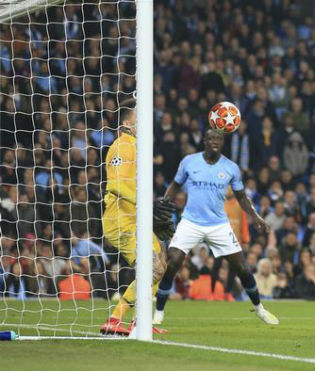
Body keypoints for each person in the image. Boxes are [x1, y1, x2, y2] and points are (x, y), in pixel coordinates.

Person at [153, 128, 279, 326]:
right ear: (204, 140)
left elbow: (242, 197)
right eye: (211, 138)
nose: (215, 141)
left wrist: (255, 216)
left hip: (218, 224)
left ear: (223, 142)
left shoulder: (231, 168)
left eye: (219, 139)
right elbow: (175, 185)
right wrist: (164, 203)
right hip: (191, 222)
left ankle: (259, 309)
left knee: (242, 268)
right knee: (174, 261)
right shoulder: (189, 162)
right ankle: (158, 312)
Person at [99, 100, 175, 336]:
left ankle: (135, 321)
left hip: (134, 219)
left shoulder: (136, 147)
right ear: (127, 123)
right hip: (120, 221)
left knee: (161, 263)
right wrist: (145, 204)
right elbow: (115, 184)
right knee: (152, 267)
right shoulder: (123, 146)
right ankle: (117, 319)